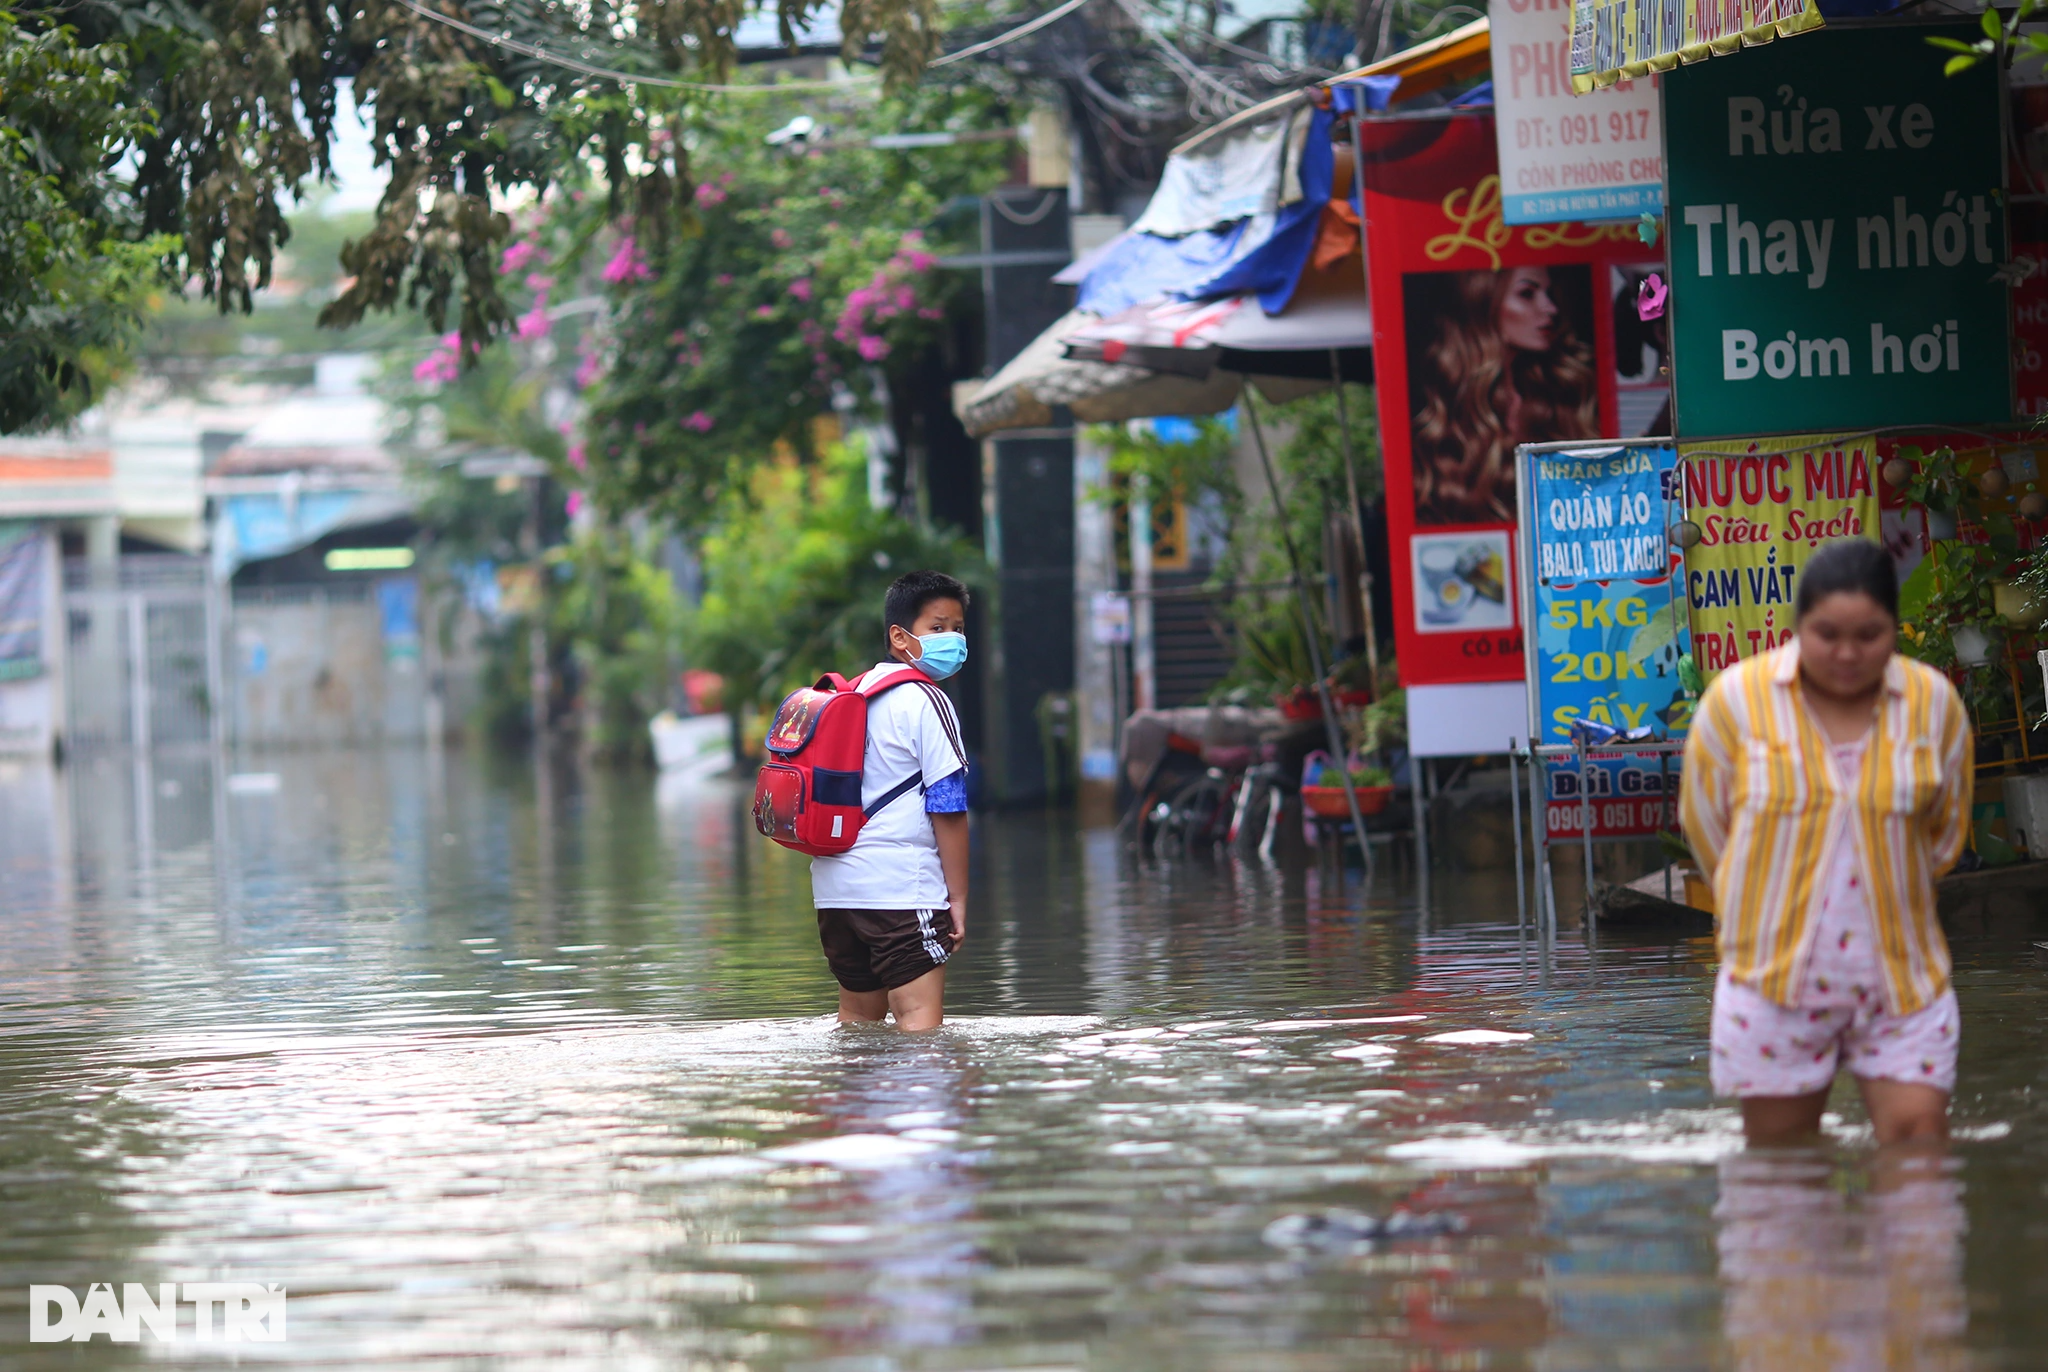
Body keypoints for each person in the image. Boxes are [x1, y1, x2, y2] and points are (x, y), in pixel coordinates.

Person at [1680, 540, 1973, 1146]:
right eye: (1827, 634)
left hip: (1902, 981)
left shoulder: (1932, 706)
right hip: (1774, 981)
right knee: (1783, 1177)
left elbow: (1943, 834)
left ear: (1895, 629)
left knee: (1920, 1160)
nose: (1846, 653)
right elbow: (1708, 828)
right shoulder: (1735, 704)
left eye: (1869, 635)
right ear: (1797, 627)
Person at [811, 570, 972, 1031]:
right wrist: (956, 898)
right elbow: (948, 804)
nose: (953, 639)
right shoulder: (926, 700)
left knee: (857, 1028)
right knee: (921, 1032)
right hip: (901, 889)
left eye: (958, 629)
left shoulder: (850, 695)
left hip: (835, 893)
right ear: (900, 637)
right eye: (937, 628)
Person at [1408, 265, 1598, 524]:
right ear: (1482, 302)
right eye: (1527, 294)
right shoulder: (1447, 415)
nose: (1550, 308)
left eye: (1550, 293)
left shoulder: (1558, 398)